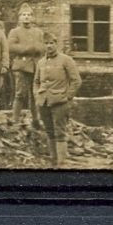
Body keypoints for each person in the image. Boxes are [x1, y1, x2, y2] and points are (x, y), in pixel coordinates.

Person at [33, 33, 83, 167]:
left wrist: (67, 96)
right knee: (49, 131)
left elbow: (76, 81)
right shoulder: (41, 62)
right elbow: (36, 81)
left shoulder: (66, 60)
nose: (49, 46)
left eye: (51, 43)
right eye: (46, 43)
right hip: (43, 102)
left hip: (60, 102)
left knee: (59, 131)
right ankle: (53, 161)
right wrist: (37, 95)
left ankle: (61, 163)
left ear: (56, 44)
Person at [5, 6, 46, 130]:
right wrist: (28, 48)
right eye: (24, 15)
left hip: (36, 67)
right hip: (22, 67)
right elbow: (10, 47)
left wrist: (38, 48)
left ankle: (36, 119)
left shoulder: (38, 32)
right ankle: (15, 119)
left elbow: (43, 47)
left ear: (32, 17)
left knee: (35, 94)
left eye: (29, 14)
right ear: (19, 18)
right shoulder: (15, 32)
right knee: (20, 93)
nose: (26, 17)